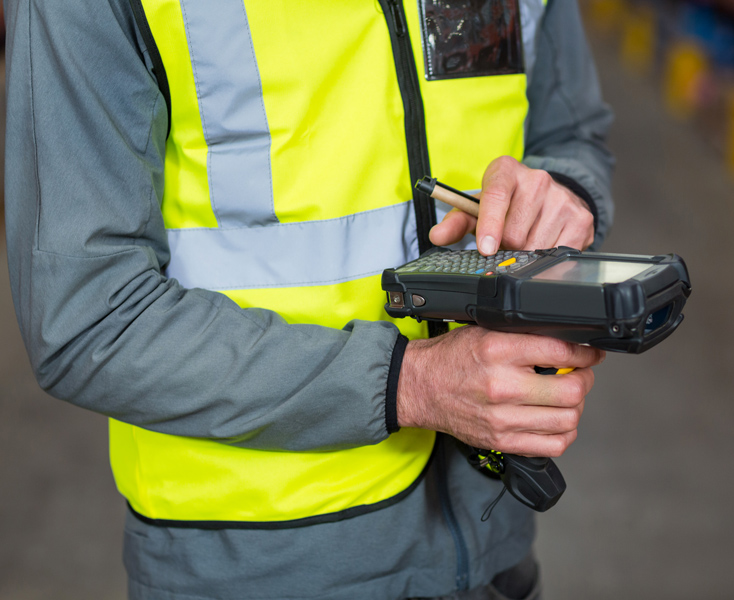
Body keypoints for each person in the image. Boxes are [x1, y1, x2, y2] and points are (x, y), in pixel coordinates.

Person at [4, 0, 614, 598]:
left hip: (492, 535)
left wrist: (561, 198)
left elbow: (571, 132)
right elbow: (88, 317)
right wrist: (412, 383)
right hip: (258, 557)